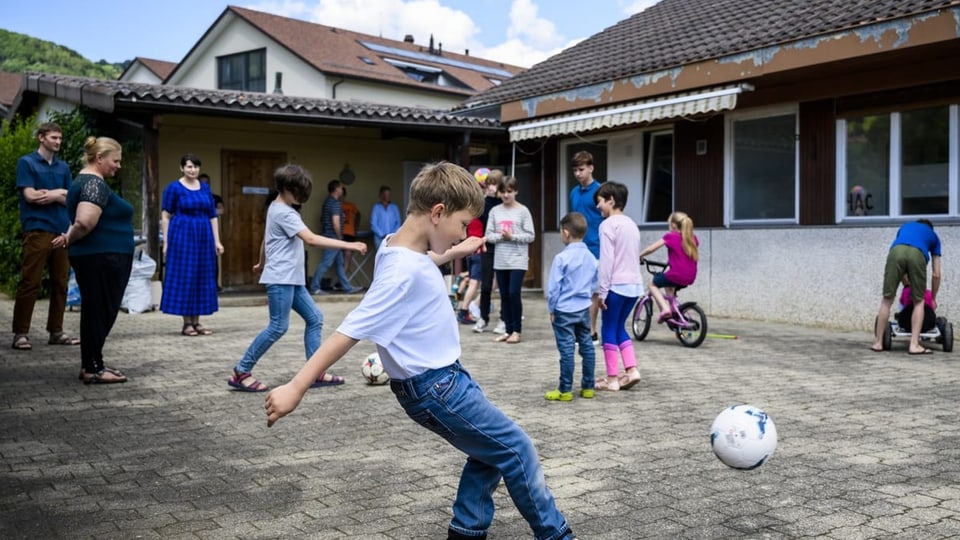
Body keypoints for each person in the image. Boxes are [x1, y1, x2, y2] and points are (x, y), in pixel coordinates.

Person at [264, 162, 577, 540]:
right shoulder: (401, 273)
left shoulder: (395, 246)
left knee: (489, 451)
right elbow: (349, 329)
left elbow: (422, 261)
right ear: (438, 212)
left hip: (442, 382)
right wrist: (296, 387)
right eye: (463, 224)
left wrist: (452, 251)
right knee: (516, 449)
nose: (466, 231)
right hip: (437, 387)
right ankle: (556, 533)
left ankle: (467, 529)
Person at [228, 164, 366, 392]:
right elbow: (310, 239)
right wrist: (349, 244)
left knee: (315, 318)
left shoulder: (276, 207)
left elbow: (266, 239)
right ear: (287, 188)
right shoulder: (285, 212)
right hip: (282, 279)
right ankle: (241, 371)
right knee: (277, 327)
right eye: (299, 192)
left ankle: (315, 372)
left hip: (291, 279)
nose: (302, 197)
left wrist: (261, 263)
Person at [52, 136, 133, 384]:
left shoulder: (86, 182)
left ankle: (93, 362)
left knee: (95, 310)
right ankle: (93, 368)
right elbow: (85, 221)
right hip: (103, 258)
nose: (118, 166)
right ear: (100, 158)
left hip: (100, 256)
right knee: (99, 311)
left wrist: (68, 236)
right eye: (115, 160)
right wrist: (70, 237)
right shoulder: (93, 184)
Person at [12, 122, 79, 350]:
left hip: (61, 231)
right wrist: (58, 193)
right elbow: (31, 196)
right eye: (54, 138)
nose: (58, 142)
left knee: (61, 283)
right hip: (37, 229)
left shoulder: (63, 168)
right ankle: (20, 334)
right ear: (41, 138)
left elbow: (70, 198)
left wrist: (55, 194)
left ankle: (56, 331)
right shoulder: (27, 163)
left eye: (60, 138)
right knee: (30, 282)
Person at [161, 154, 223, 335]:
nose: (192, 170)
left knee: (201, 276)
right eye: (189, 166)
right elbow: (165, 215)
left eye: (195, 166)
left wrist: (217, 241)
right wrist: (166, 241)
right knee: (185, 276)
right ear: (182, 168)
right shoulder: (174, 188)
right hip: (182, 235)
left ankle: (197, 321)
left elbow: (213, 216)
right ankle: (186, 322)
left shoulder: (204, 188)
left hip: (203, 237)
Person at [593, 182, 643, 391]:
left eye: (600, 202)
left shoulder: (607, 225)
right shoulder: (631, 224)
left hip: (615, 286)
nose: (598, 207)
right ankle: (632, 370)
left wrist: (601, 292)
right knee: (619, 326)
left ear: (611, 200)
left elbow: (606, 261)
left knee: (608, 329)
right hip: (634, 286)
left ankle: (612, 379)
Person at [545, 212, 598, 401]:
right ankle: (588, 387)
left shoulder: (561, 258)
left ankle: (565, 390)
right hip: (584, 308)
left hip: (564, 310)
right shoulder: (591, 257)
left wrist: (551, 309)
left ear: (566, 233)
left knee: (567, 350)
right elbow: (594, 284)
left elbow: (553, 289)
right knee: (587, 347)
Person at [871, 219, 942, 355]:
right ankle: (914, 345)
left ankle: (878, 343)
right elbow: (936, 275)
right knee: (919, 301)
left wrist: (907, 285)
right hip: (917, 254)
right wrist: (932, 298)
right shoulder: (934, 237)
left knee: (887, 299)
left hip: (896, 251)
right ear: (930, 229)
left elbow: (903, 268)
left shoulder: (905, 227)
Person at [485, 175, 535, 344]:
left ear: (516, 192)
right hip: (500, 259)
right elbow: (488, 235)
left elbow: (530, 235)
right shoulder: (494, 211)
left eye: (510, 191)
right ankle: (507, 330)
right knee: (504, 295)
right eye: (503, 192)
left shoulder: (523, 211)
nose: (506, 195)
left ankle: (516, 330)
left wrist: (512, 237)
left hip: (518, 259)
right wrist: (501, 236)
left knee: (514, 293)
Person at [638, 211, 700, 323]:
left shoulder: (670, 236)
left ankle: (665, 309)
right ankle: (673, 312)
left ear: (673, 225)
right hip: (690, 276)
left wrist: (640, 255)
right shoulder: (692, 238)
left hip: (676, 274)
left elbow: (651, 248)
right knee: (668, 285)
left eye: (669, 224)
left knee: (652, 284)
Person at [569, 151, 603, 344]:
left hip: (596, 248)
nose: (578, 174)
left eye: (581, 169)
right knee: (577, 291)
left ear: (591, 168)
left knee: (593, 293)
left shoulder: (600, 192)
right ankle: (579, 330)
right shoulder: (573, 192)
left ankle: (591, 331)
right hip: (577, 249)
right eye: (575, 170)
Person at [308, 179, 358, 294]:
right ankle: (314, 287)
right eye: (340, 188)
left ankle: (347, 288)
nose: (342, 190)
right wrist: (340, 237)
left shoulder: (328, 202)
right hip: (333, 237)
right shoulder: (335, 203)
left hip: (329, 235)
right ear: (336, 189)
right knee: (326, 263)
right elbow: (335, 222)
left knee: (339, 264)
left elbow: (324, 219)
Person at [473, 168, 504, 333]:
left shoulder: (504, 204)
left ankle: (503, 318)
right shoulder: (483, 203)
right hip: (488, 247)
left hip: (504, 247)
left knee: (504, 286)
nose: (492, 187)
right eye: (490, 184)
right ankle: (483, 317)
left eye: (495, 184)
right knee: (485, 285)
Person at [455, 215, 484, 325]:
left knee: (471, 281)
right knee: (474, 282)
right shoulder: (482, 215)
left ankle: (466, 309)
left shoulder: (469, 216)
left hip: (469, 251)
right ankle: (464, 311)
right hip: (479, 250)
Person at [199, 172, 224, 291]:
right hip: (196, 231)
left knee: (213, 260)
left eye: (207, 183)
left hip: (211, 232)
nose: (205, 185)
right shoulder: (193, 195)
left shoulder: (214, 197)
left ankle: (214, 285)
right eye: (202, 182)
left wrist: (207, 211)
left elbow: (220, 211)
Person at [370, 184, 401, 249]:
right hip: (379, 238)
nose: (389, 196)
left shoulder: (394, 207)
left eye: (390, 194)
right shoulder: (376, 207)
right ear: (382, 195)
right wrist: (382, 235)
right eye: (387, 194)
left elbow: (398, 222)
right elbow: (373, 224)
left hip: (392, 238)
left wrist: (392, 234)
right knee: (381, 257)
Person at [340, 186, 359, 272]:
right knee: (338, 255)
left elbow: (358, 215)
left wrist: (356, 228)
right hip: (339, 232)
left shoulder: (351, 206)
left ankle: (345, 271)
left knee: (348, 253)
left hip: (349, 232)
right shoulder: (335, 205)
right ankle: (342, 276)